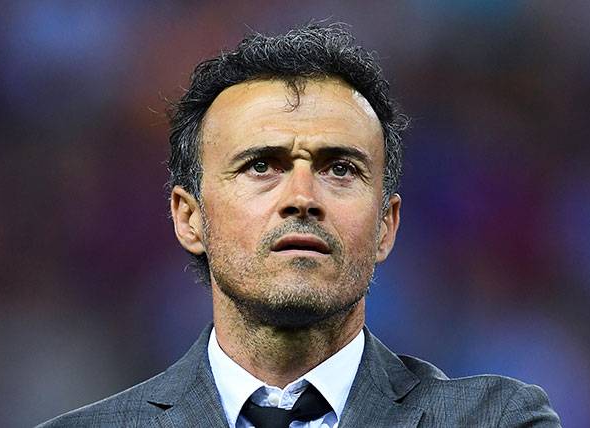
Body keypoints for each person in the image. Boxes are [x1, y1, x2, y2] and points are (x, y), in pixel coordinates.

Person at [38, 23, 561, 428]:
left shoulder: (496, 420)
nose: (302, 198)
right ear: (189, 218)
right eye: (261, 166)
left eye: (340, 169)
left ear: (386, 226)